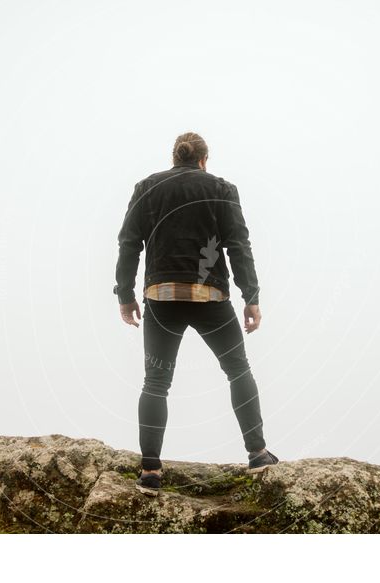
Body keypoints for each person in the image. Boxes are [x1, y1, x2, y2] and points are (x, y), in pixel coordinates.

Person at [113, 132, 279, 496]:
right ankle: (257, 453)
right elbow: (238, 244)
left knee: (155, 383)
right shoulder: (222, 188)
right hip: (210, 297)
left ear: (175, 158)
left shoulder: (146, 187)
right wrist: (250, 295)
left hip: (162, 295)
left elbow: (129, 243)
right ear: (205, 159)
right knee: (238, 370)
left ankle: (151, 470)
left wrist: (125, 294)